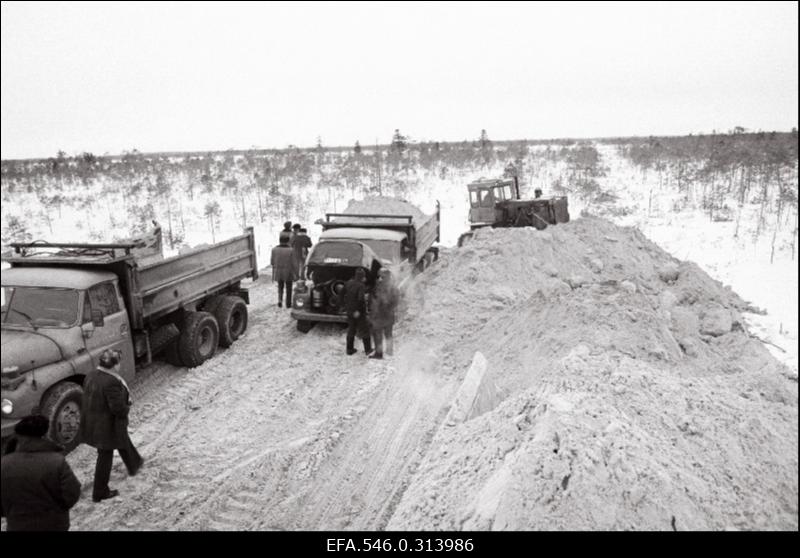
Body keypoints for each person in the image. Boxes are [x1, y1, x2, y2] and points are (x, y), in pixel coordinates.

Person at [79, 349, 143, 503]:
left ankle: (134, 463)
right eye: (119, 362)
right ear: (114, 365)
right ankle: (100, 492)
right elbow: (118, 409)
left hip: (93, 422)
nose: (120, 365)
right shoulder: (112, 382)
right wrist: (128, 406)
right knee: (105, 456)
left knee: (121, 438)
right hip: (106, 426)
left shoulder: (91, 375)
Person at [1, 415, 81, 531]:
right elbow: (72, 493)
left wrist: (12, 513)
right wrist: (58, 510)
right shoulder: (56, 462)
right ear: (44, 436)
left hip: (17, 525)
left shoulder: (4, 464)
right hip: (54, 524)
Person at [368, 268, 400, 359]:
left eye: (381, 277)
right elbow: (396, 302)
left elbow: (373, 300)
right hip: (389, 315)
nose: (380, 278)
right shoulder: (394, 288)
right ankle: (389, 351)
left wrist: (373, 311)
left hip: (380, 315)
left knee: (378, 334)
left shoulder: (379, 287)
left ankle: (379, 353)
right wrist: (390, 308)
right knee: (388, 333)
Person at [343, 268, 372, 356]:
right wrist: (358, 311)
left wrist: (343, 306)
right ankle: (368, 350)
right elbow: (360, 300)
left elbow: (341, 293)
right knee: (364, 329)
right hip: (358, 312)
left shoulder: (348, 283)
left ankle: (349, 349)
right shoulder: (361, 286)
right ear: (362, 277)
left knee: (351, 329)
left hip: (349, 310)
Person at [271, 234, 295, 308]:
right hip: (288, 271)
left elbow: (272, 262)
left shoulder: (274, 249)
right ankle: (288, 303)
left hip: (278, 270)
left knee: (280, 287)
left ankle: (280, 300)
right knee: (289, 288)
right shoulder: (291, 250)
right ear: (288, 241)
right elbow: (293, 262)